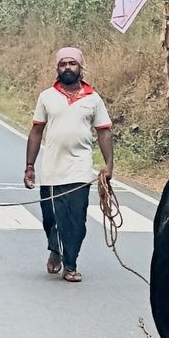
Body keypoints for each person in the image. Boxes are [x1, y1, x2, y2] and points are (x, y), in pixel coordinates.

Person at [24, 47, 113, 283]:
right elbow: (36, 132)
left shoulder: (93, 99)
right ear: (57, 69)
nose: (67, 68)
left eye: (72, 63)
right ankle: (56, 249)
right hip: (52, 168)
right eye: (63, 64)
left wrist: (109, 165)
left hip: (80, 168)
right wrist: (30, 166)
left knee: (76, 221)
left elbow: (104, 132)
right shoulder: (46, 97)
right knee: (51, 219)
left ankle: (70, 265)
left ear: (80, 68)